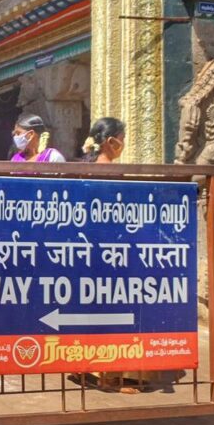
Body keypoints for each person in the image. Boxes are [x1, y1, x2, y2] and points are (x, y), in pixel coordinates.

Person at [78, 117, 145, 394]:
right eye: (123, 137)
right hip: (111, 252)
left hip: (88, 250)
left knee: (89, 311)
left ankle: (84, 369)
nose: (124, 143)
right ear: (112, 141)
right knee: (114, 313)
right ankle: (110, 377)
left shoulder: (86, 168)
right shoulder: (108, 171)